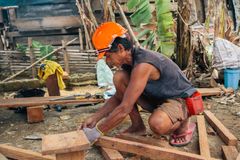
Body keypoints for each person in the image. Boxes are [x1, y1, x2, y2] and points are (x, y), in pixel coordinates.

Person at [79, 22, 199, 146]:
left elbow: (124, 108)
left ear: (120, 48)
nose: (108, 61)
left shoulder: (143, 64)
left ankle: (184, 124)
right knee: (119, 77)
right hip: (158, 97)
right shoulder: (128, 63)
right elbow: (119, 98)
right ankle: (138, 127)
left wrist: (97, 132)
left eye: (108, 56)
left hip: (179, 99)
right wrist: (95, 117)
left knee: (157, 125)